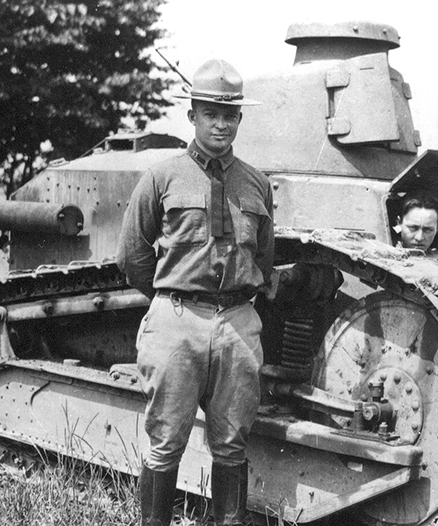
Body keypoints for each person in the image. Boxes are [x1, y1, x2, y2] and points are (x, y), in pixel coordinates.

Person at [116, 58, 272, 526]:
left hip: (238, 324)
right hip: (177, 320)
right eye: (210, 113)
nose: (220, 123)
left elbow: (262, 258)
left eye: (230, 115)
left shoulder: (257, 183)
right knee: (166, 439)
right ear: (193, 116)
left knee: (232, 441)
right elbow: (132, 256)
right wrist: (173, 300)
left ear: (240, 119)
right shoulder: (162, 177)